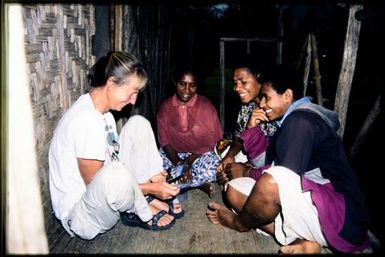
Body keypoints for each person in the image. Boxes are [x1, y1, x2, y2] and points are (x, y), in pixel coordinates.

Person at [206, 64, 371, 254]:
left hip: (342, 217)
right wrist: (252, 129)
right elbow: (269, 161)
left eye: (266, 97)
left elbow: (279, 177)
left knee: (268, 183)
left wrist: (247, 171)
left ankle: (239, 223)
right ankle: (305, 242)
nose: (261, 104)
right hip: (318, 205)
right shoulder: (292, 120)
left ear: (287, 95)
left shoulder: (301, 122)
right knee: (234, 190)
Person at [48, 51, 183, 240]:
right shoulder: (86, 120)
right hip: (82, 216)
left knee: (138, 123)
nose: (134, 100)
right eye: (133, 91)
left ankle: (142, 198)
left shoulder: (106, 116)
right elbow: (100, 183)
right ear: (111, 83)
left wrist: (152, 178)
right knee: (115, 173)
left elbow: (115, 159)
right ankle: (142, 206)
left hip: (105, 191)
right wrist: (149, 188)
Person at [156, 66, 223, 197]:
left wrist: (188, 163)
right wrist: (179, 163)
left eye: (192, 85)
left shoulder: (206, 107)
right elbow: (164, 141)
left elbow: (213, 142)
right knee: (153, 168)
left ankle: (180, 182)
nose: (187, 90)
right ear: (175, 83)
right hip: (173, 155)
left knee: (215, 168)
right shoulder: (165, 107)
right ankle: (196, 183)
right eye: (182, 84)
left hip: (199, 155)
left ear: (197, 86)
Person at [216, 60, 278, 186]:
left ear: (258, 77)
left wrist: (243, 168)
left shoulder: (274, 108)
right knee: (222, 164)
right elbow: (239, 137)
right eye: (235, 83)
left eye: (243, 82)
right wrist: (229, 156)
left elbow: (272, 158)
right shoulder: (247, 106)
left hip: (270, 163)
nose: (237, 88)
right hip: (253, 157)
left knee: (233, 179)